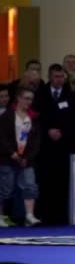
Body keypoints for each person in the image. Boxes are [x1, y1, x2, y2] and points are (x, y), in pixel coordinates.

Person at [37, 64, 75, 224]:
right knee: (45, 182)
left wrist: (63, 133)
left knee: (62, 183)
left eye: (61, 77)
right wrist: (47, 131)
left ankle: (60, 217)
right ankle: (43, 217)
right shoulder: (39, 95)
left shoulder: (74, 98)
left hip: (64, 147)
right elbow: (33, 119)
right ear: (49, 77)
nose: (59, 80)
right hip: (44, 148)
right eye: (55, 77)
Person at [0, 87, 41, 227]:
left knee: (30, 186)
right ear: (18, 98)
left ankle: (29, 215)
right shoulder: (7, 116)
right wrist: (12, 153)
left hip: (27, 160)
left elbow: (36, 141)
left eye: (31, 99)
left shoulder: (33, 117)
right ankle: (1, 216)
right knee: (6, 189)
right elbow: (2, 138)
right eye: (26, 98)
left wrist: (27, 158)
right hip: (8, 158)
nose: (29, 102)